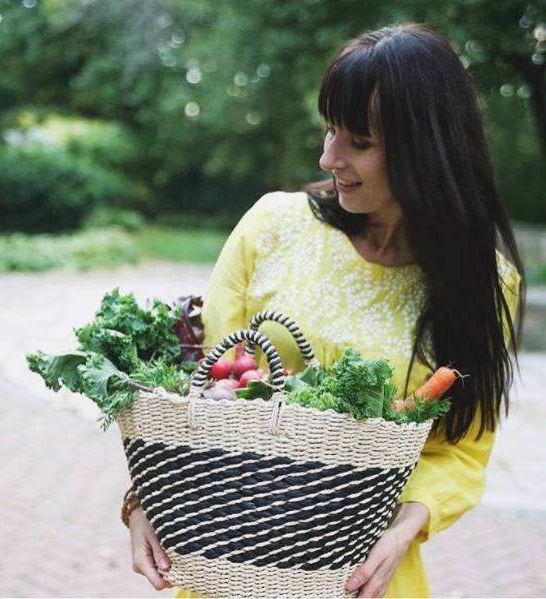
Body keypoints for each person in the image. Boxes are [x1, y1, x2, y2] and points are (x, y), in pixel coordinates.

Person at [124, 22, 525, 598]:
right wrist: (145, 501)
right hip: (230, 567)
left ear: (426, 151)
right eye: (330, 131)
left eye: (358, 142)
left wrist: (404, 530)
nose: (328, 157)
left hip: (362, 579)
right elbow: (194, 398)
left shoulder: (480, 283)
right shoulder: (273, 225)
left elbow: (460, 451)